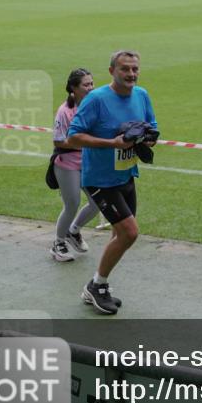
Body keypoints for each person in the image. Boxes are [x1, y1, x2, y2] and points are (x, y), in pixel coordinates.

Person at [67, 50, 156, 315]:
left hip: (126, 174)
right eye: (124, 69)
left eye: (134, 69)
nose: (131, 74)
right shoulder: (96, 99)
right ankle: (97, 285)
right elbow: (73, 137)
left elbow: (151, 126)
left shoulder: (141, 95)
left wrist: (148, 138)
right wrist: (112, 143)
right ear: (111, 71)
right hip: (99, 179)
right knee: (129, 232)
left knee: (120, 234)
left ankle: (98, 284)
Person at [50, 68, 101, 262]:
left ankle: (73, 231)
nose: (91, 87)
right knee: (72, 204)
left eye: (92, 83)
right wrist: (82, 143)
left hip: (89, 163)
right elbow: (58, 141)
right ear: (73, 88)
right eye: (86, 85)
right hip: (67, 164)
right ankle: (58, 243)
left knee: (98, 203)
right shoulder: (64, 111)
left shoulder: (94, 106)